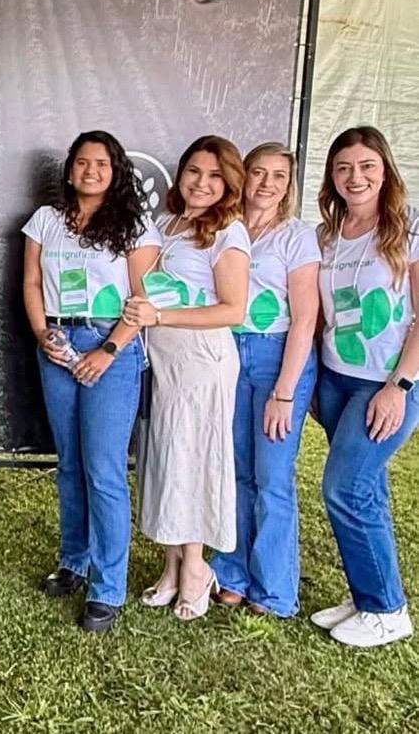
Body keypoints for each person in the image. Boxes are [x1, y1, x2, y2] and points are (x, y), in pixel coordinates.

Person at [22, 130, 160, 633]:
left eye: (101, 163)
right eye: (82, 162)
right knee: (71, 465)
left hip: (111, 348)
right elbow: (31, 283)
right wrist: (43, 334)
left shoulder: (135, 225)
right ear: (70, 169)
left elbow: (144, 300)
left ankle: (108, 588)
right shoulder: (46, 220)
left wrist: (108, 350)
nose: (91, 170)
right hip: (58, 344)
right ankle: (74, 562)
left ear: (116, 170)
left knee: (103, 471)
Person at [123, 135, 250, 621]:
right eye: (194, 171)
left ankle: (197, 568)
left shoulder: (228, 232)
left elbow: (233, 310)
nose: (202, 182)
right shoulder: (166, 225)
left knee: (193, 460)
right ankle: (172, 566)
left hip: (202, 360)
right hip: (166, 361)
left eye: (215, 175)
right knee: (167, 458)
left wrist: (161, 317)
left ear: (230, 184)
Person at [310, 126, 419, 648]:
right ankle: (368, 596)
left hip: (387, 383)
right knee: (367, 490)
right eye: (344, 168)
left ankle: (387, 610)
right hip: (337, 378)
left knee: (345, 488)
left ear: (385, 170)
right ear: (332, 176)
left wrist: (400, 385)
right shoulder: (326, 235)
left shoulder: (408, 227)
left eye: (367, 166)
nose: (355, 177)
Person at [211, 143, 319, 617]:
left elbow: (305, 318)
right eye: (259, 172)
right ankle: (232, 573)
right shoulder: (225, 228)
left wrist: (285, 393)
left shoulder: (297, 237)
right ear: (244, 176)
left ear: (289, 185)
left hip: (278, 357)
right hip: (228, 353)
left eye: (279, 176)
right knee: (235, 471)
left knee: (272, 476)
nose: (267, 183)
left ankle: (274, 590)